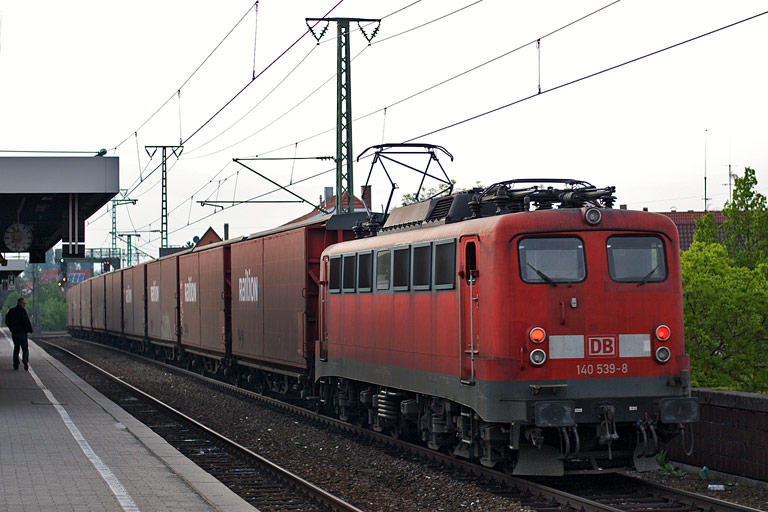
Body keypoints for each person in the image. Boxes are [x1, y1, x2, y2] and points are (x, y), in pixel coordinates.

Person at [5, 297, 33, 371]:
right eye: (23, 303)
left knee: (16, 348)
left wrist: (11, 328)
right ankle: (25, 360)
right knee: (25, 349)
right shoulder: (23, 312)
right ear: (19, 303)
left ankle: (16, 364)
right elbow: (26, 321)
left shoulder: (12, 311)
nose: (24, 305)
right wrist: (30, 330)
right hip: (22, 333)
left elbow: (7, 320)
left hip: (15, 333)